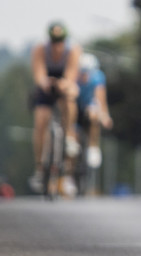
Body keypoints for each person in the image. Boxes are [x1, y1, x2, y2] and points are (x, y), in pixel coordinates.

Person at [28, 21, 82, 194]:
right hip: (46, 86)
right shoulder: (40, 50)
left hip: (64, 84)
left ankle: (68, 136)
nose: (57, 46)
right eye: (54, 42)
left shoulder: (72, 51)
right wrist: (45, 83)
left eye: (60, 42)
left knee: (70, 98)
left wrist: (63, 85)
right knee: (40, 121)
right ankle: (39, 167)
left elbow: (71, 75)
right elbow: (38, 73)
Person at [76, 53, 113, 171]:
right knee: (73, 144)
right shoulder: (74, 79)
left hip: (88, 110)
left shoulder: (97, 78)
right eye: (82, 72)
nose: (84, 75)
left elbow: (100, 99)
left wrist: (105, 116)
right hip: (75, 112)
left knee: (94, 114)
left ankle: (93, 146)